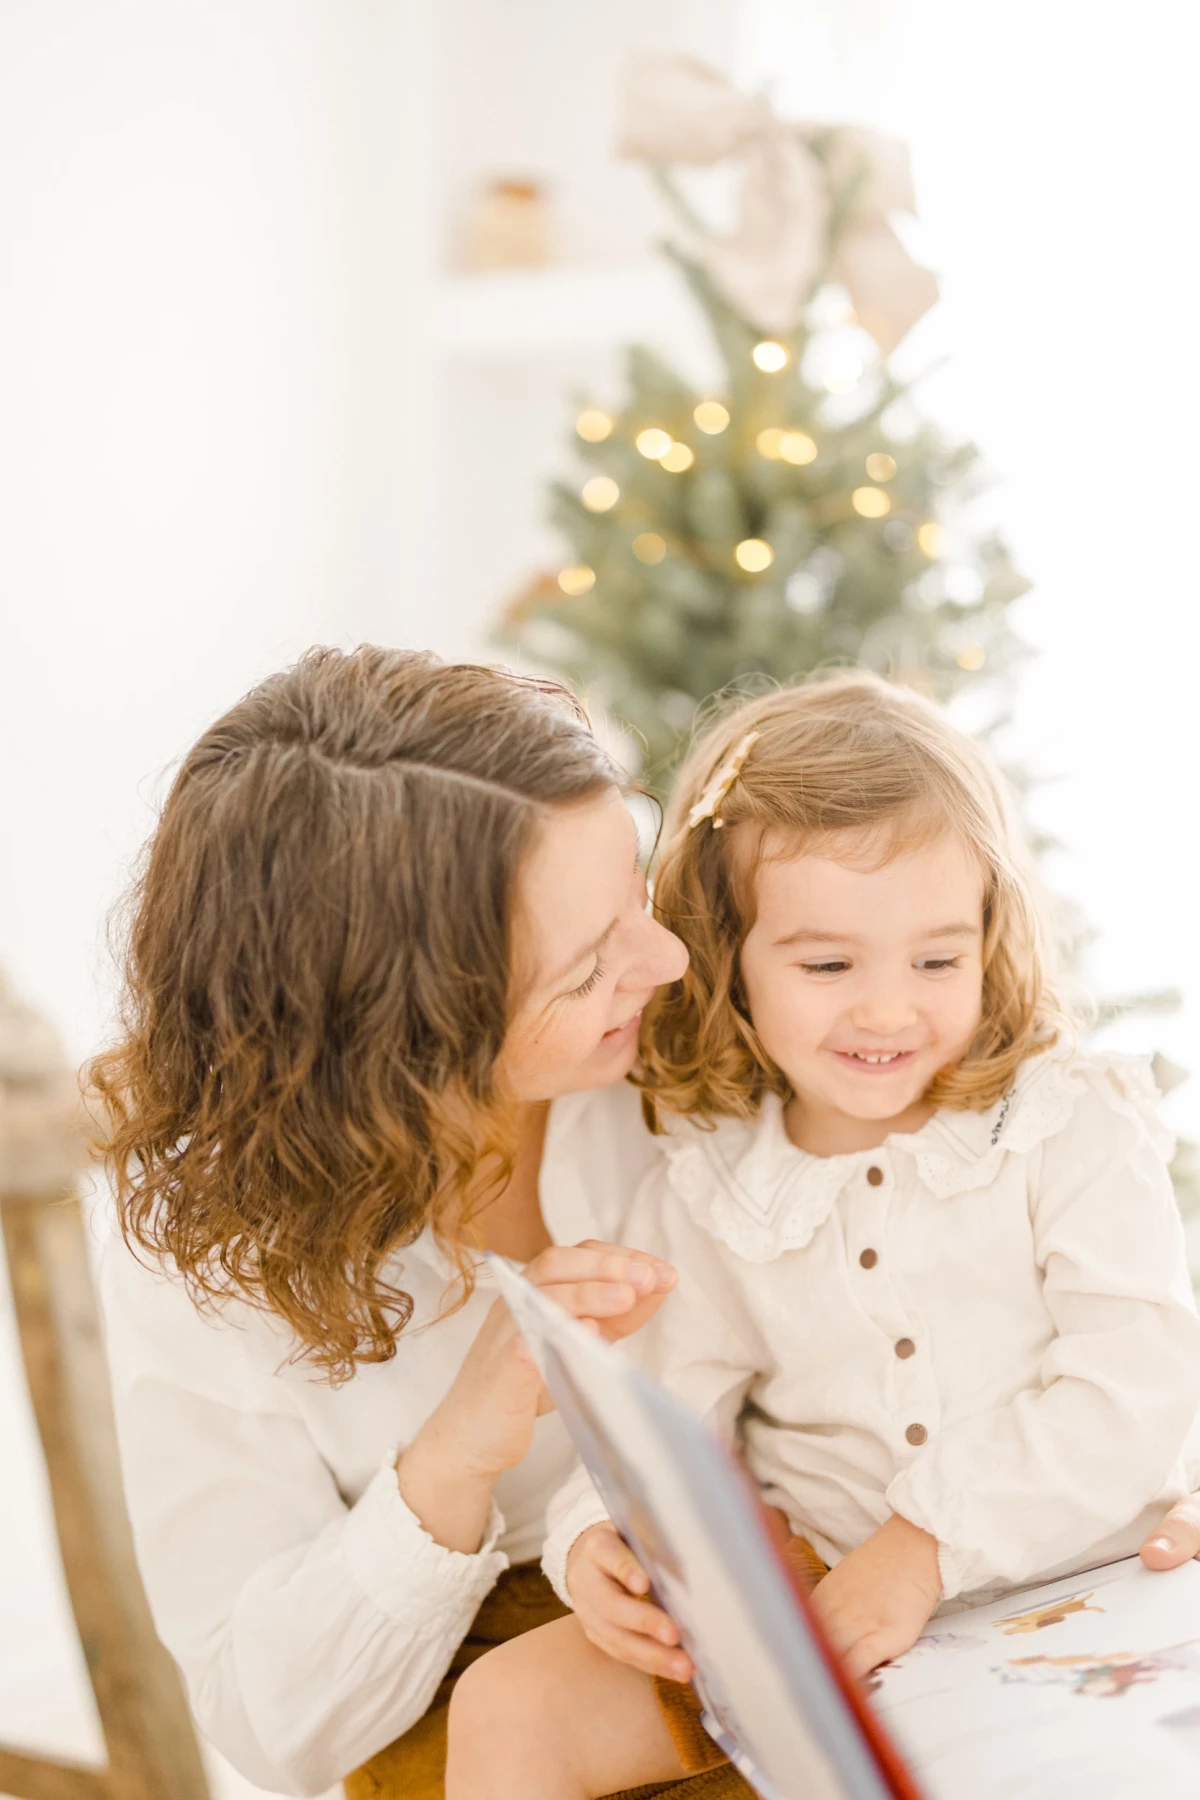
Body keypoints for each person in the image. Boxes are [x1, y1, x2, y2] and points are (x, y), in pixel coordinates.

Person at [443, 673, 1200, 1800]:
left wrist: (924, 1547)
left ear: (993, 939)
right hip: (843, 1621)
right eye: (829, 965)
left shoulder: (1067, 1123)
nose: (888, 1010)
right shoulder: (709, 1192)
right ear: (730, 957)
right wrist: (602, 1541)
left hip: (1098, 1572)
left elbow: (1138, 1391)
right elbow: (655, 1421)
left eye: (938, 960)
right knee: (511, 1705)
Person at [91, 645, 710, 1800]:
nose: (666, 960)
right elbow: (274, 1730)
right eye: (583, 974)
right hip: (455, 1703)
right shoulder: (212, 1247)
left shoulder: (694, 1049)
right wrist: (458, 1450)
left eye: (640, 890)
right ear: (403, 1047)